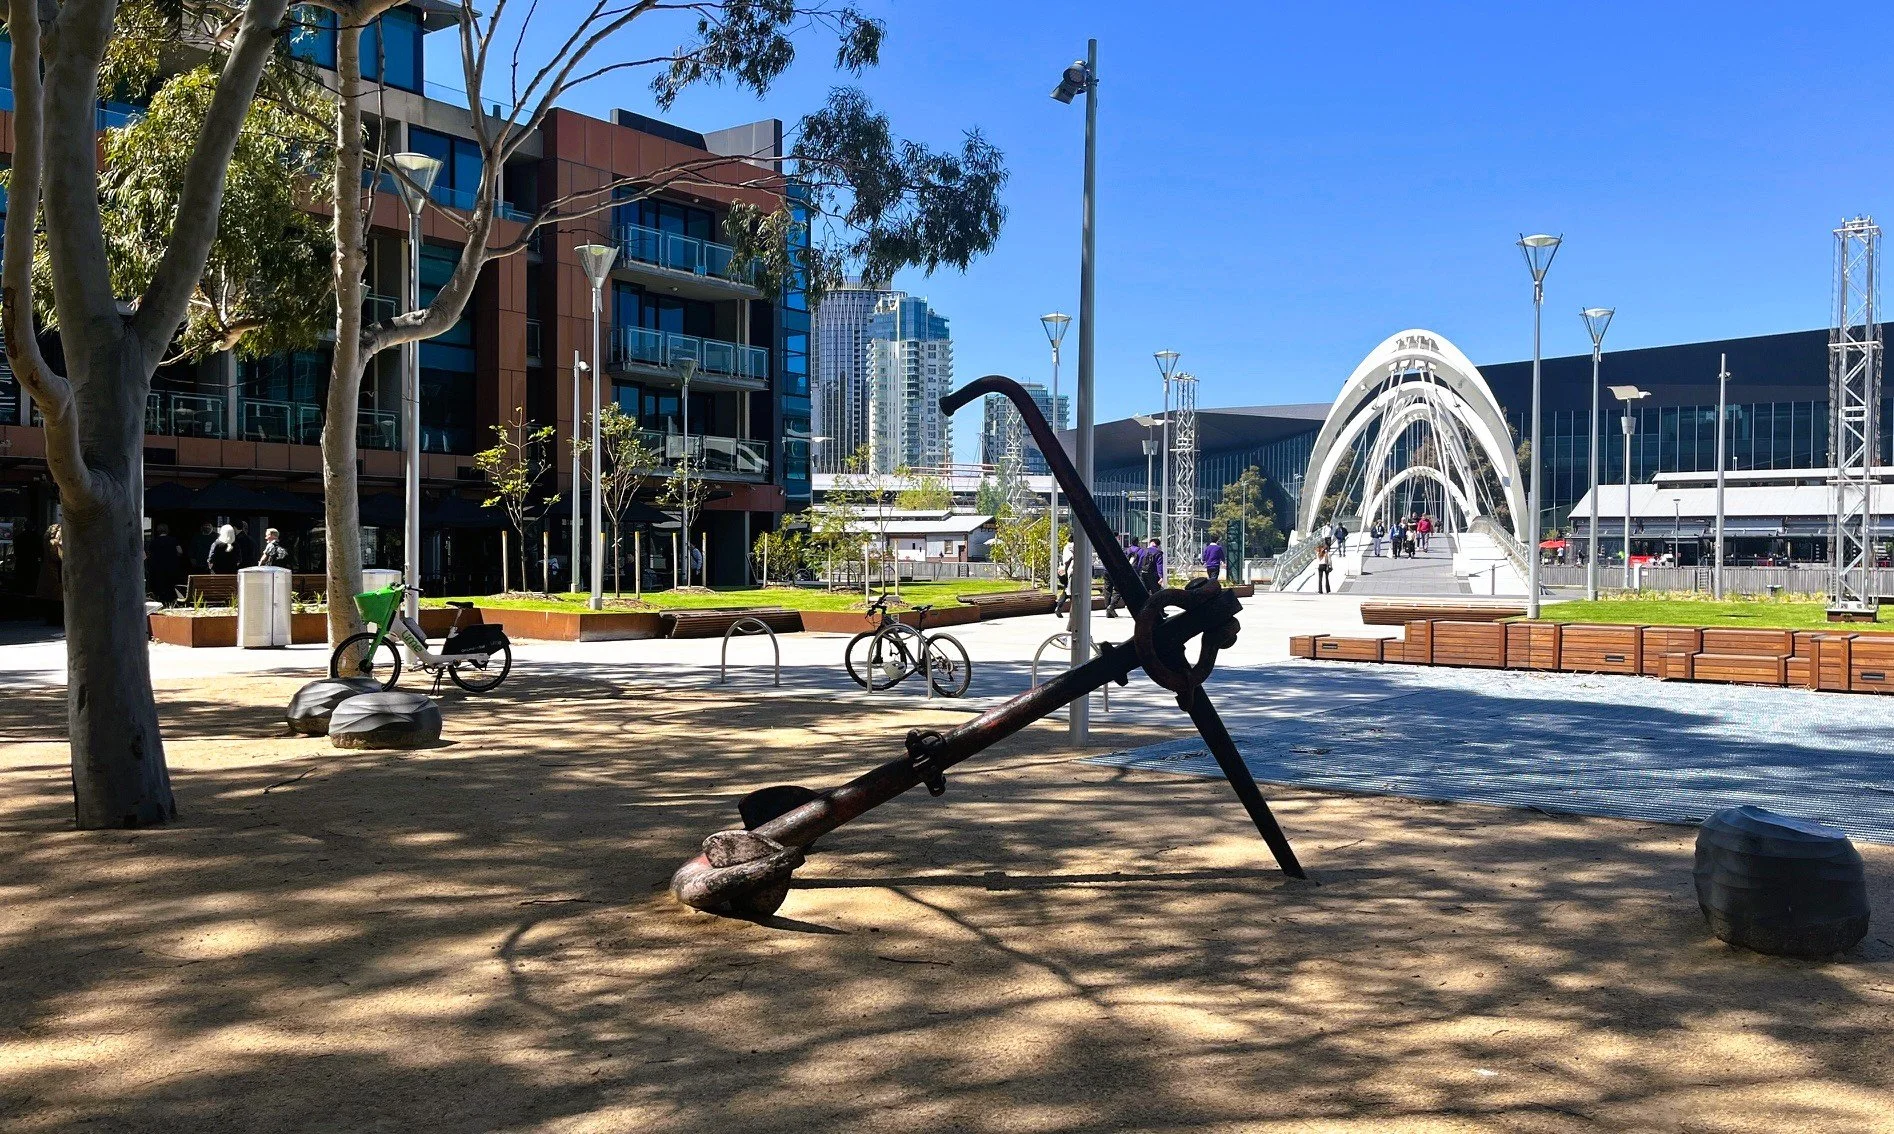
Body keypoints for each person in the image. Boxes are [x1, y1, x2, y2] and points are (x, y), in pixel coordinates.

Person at [146, 523, 185, 605]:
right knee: (171, 585)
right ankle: (172, 601)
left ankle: (162, 601)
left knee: (160, 585)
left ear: (157, 531)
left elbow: (149, 555)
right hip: (171, 566)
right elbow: (180, 551)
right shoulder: (173, 540)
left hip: (158, 567)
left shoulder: (154, 542)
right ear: (167, 530)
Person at [1054, 538, 1075, 615]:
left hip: (1063, 571)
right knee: (1072, 591)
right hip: (1070, 571)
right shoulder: (1074, 546)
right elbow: (1069, 561)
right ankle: (1074, 611)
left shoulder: (1066, 547)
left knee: (1067, 589)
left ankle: (1059, 606)